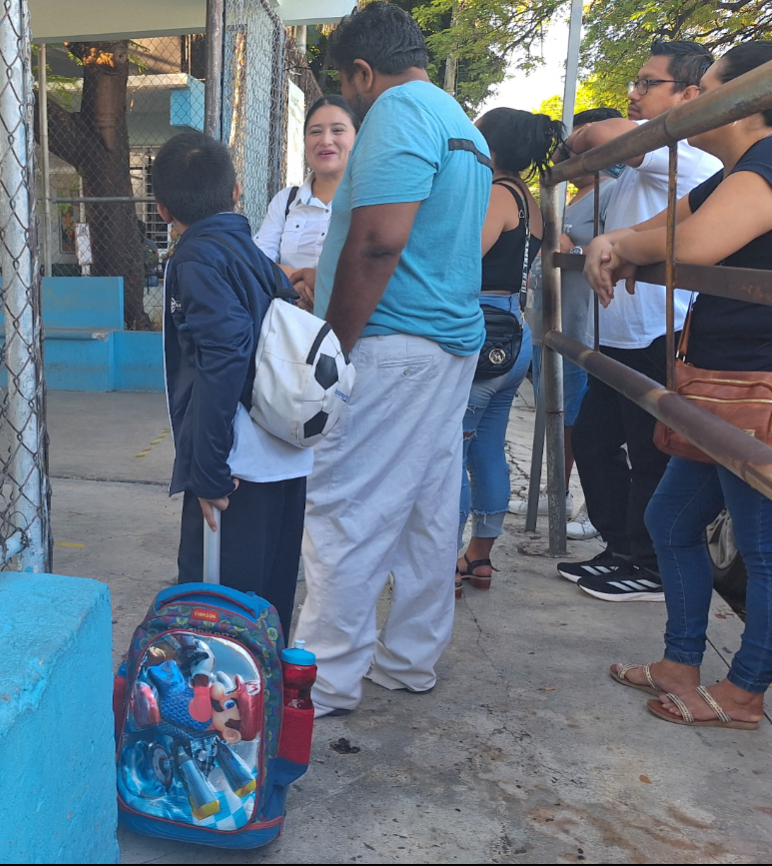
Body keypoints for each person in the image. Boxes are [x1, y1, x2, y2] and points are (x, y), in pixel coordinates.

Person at [588, 41, 772, 728]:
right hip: (728, 387)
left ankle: (744, 693)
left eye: (701, 87)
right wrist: (612, 242)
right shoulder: (744, 168)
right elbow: (656, 228)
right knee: (669, 522)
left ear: (748, 96)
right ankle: (680, 661)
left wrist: (617, 247)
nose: (688, 101)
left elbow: (693, 246)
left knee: (765, 547)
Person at [293, 2, 491, 716]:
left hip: (391, 345)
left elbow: (377, 242)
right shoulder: (459, 122)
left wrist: (332, 351)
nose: (348, 104)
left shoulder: (398, 113)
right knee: (424, 512)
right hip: (445, 345)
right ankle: (407, 660)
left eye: (347, 91)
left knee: (346, 510)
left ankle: (321, 681)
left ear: (361, 72)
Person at [556, 42, 721, 600]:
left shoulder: (687, 157)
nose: (633, 94)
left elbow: (597, 137)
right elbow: (598, 138)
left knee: (649, 451)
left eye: (648, 84)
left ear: (689, 96)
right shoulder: (647, 156)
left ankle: (647, 565)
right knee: (599, 444)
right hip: (615, 335)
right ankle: (620, 548)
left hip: (658, 335)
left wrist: (583, 136)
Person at [153, 131, 311, 637]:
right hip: (282, 451)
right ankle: (261, 707)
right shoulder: (255, 256)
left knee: (216, 614)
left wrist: (208, 469)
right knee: (267, 602)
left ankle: (219, 714)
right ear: (237, 192)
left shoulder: (196, 258)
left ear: (161, 209)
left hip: (237, 466)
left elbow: (222, 356)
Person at [455, 108, 562, 595]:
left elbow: (463, 259)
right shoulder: (532, 203)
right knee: (487, 449)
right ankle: (479, 558)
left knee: (450, 454)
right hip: (513, 332)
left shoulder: (496, 195)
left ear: (490, 148)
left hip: (479, 332)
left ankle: (439, 564)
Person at [512, 107, 625, 540]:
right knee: (554, 411)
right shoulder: (573, 193)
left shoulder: (614, 192)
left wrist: (566, 253)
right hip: (552, 323)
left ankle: (584, 509)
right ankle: (553, 493)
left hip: (583, 324)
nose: (569, 149)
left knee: (580, 420)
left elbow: (616, 256)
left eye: (580, 140)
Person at [254, 95, 359, 309]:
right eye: (315, 131)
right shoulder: (286, 201)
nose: (326, 140)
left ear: (358, 139)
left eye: (338, 130)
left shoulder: (370, 200)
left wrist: (319, 282)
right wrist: (296, 281)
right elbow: (257, 263)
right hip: (291, 326)